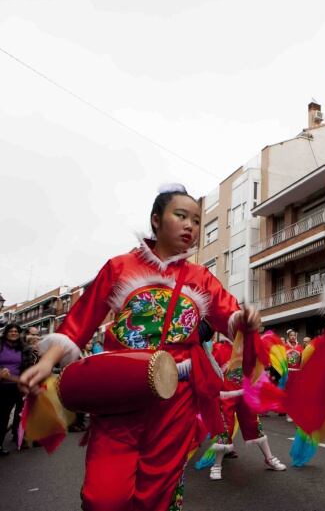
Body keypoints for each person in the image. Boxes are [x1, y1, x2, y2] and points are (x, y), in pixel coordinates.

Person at [18, 184, 260, 510]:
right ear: (156, 220)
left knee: (156, 495)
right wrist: (47, 361)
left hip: (176, 399)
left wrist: (244, 319)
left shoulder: (201, 278)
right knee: (102, 497)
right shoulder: (119, 267)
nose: (191, 225)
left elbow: (228, 316)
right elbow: (78, 322)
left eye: (197, 220)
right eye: (181, 215)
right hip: (120, 393)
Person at [207, 337, 286, 481]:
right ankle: (217, 465)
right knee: (225, 428)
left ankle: (269, 458)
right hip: (226, 396)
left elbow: (258, 367)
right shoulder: (219, 348)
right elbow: (210, 372)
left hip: (245, 394)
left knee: (254, 424)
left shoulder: (249, 348)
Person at [1, 323, 38, 454]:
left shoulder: (24, 348)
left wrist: (25, 380)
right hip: (3, 385)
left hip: (19, 385)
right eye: (11, 331)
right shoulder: (1, 346)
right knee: (3, 415)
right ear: (6, 333)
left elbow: (28, 366)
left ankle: (19, 439)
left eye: (16, 331)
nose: (14, 333)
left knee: (21, 413)